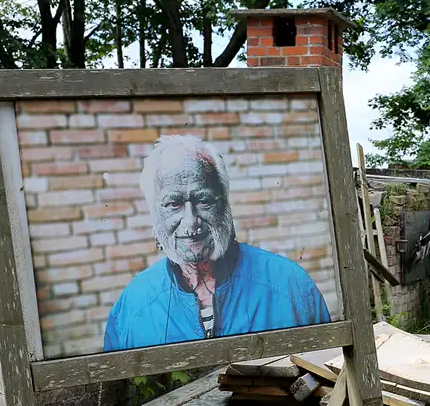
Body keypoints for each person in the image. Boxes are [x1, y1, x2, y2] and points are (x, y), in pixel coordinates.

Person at [103, 134, 331, 352]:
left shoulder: (290, 285)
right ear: (155, 214)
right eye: (173, 204)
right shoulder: (131, 307)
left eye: (203, 200)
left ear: (226, 206)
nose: (191, 223)